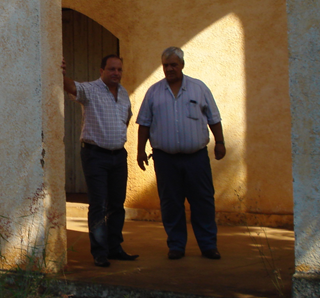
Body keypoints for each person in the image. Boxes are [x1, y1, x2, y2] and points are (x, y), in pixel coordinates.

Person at [135, 47, 226, 260]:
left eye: (173, 64)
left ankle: (208, 245)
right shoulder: (153, 92)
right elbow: (144, 124)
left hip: (196, 158)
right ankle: (176, 245)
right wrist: (140, 151)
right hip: (165, 159)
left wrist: (220, 142)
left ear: (182, 65)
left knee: (203, 201)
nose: (169, 69)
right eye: (166, 65)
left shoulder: (199, 88)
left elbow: (214, 118)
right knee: (170, 202)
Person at [62, 55, 138, 267]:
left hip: (118, 156)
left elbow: (126, 118)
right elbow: (69, 86)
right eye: (112, 69)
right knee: (98, 205)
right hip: (95, 155)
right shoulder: (91, 90)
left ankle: (115, 248)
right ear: (101, 70)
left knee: (117, 204)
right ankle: (100, 252)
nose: (116, 73)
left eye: (119, 70)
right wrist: (60, 72)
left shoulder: (123, 94)